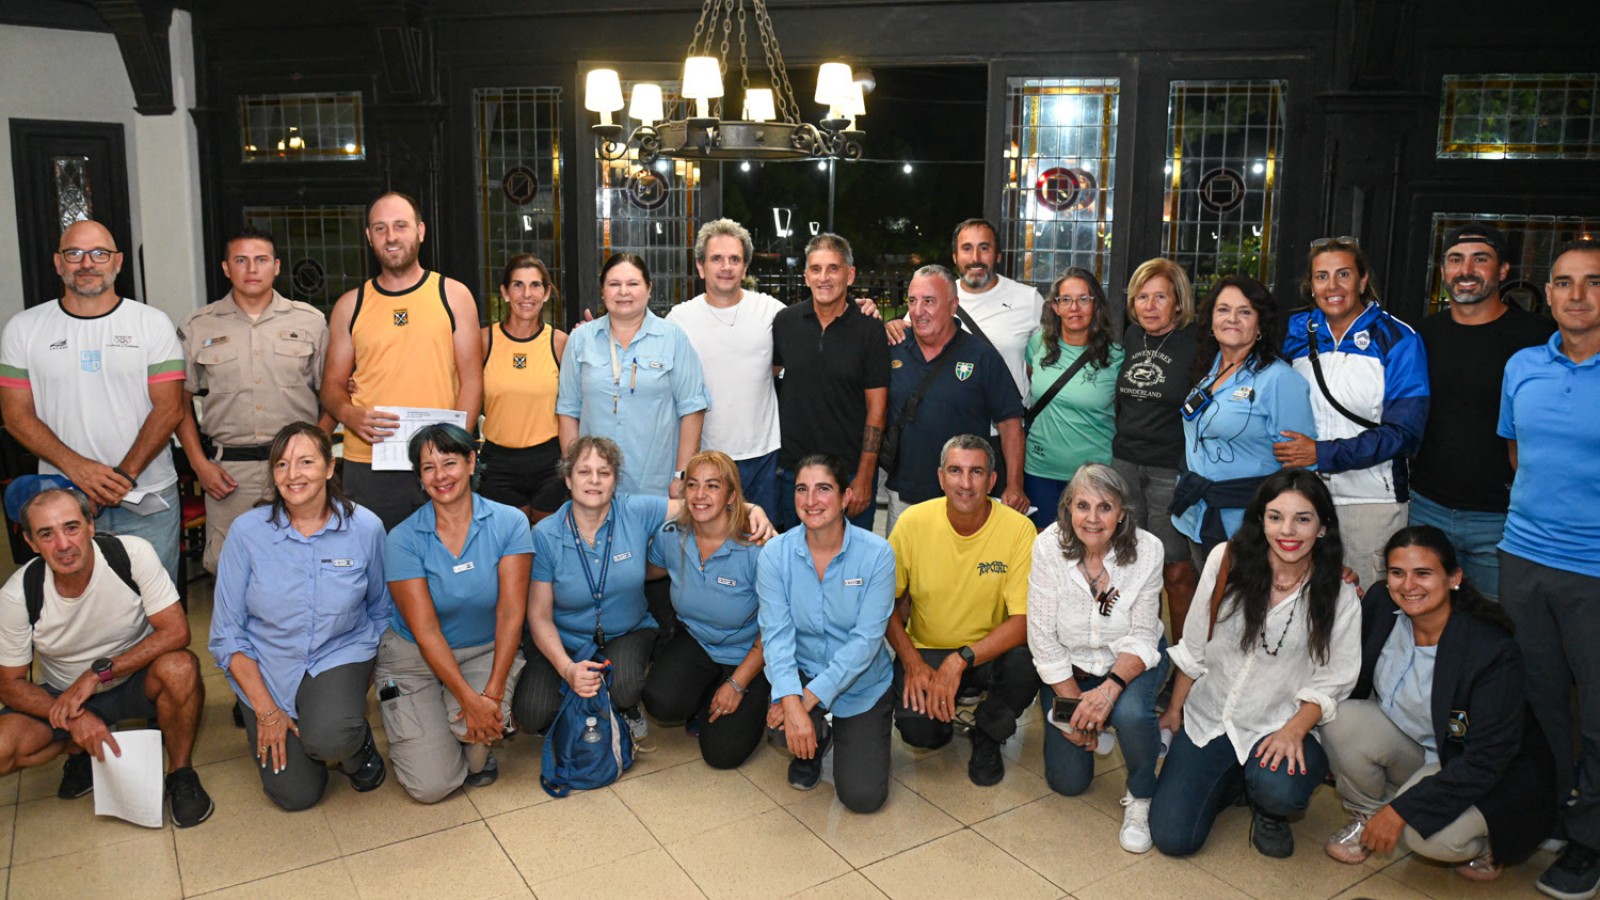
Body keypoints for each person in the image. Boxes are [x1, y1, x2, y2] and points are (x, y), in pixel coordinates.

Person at [1320, 526, 1555, 882]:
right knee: (1340, 717)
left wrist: (1402, 811)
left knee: (1425, 837)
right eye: (1397, 573)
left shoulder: (1491, 650)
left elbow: (1485, 761)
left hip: (1474, 765)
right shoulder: (1382, 603)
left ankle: (1487, 840)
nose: (1408, 585)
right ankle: (1368, 814)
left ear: (1454, 578)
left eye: (1423, 573)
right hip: (1419, 749)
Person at [1151, 469, 1360, 859]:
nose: (1289, 531)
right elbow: (1195, 645)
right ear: (1260, 519)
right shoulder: (1225, 560)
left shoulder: (1339, 593)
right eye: (1276, 516)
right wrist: (1175, 711)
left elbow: (1336, 679)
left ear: (1323, 528)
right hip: (1210, 718)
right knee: (1172, 838)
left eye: (1303, 519)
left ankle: (1270, 811)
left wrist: (1294, 731)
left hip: (1277, 722)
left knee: (1278, 787)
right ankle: (1234, 781)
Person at [513, 437, 771, 748]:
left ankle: (622, 706)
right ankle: (576, 700)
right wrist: (566, 668)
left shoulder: (636, 511)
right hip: (565, 638)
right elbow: (538, 615)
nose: (594, 480)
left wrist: (752, 508)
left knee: (626, 689)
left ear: (615, 481)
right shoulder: (545, 534)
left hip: (626, 631)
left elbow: (699, 503)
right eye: (584, 472)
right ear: (568, 479)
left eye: (604, 473)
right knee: (531, 712)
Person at [0, 486, 212, 827]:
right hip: (65, 697)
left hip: (134, 681)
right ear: (31, 543)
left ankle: (181, 772)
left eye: (71, 527)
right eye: (46, 534)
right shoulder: (17, 594)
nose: (64, 544)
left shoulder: (130, 554)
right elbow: (9, 686)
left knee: (180, 666)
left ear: (90, 525)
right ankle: (80, 750)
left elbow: (176, 632)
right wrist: (75, 718)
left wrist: (97, 675)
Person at [210, 422, 391, 810]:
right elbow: (227, 634)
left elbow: (381, 609)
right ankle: (314, 732)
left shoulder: (365, 528)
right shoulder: (246, 533)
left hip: (338, 653)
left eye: (306, 462)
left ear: (329, 467)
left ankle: (353, 745)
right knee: (296, 795)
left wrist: (363, 672)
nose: (293, 475)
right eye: (281, 465)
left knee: (331, 734)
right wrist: (267, 712)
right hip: (267, 664)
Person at [1496, 239, 1600, 900]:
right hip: (1524, 555)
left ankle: (1591, 840)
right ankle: (1560, 812)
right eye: (1563, 282)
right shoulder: (1523, 366)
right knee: (1539, 698)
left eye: (1593, 282)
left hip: (1593, 568)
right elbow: (1516, 455)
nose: (1576, 295)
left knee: (1595, 710)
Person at [0, 220, 186, 585]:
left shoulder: (152, 324)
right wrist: (80, 472)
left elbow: (170, 409)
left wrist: (121, 478)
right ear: (58, 262)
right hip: (61, 503)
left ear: (117, 262)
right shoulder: (24, 328)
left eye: (99, 253)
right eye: (75, 253)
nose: (87, 263)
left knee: (153, 612)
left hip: (147, 497)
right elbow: (15, 414)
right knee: (77, 613)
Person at [379, 424, 531, 801]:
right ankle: (433, 726)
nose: (440, 475)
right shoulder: (403, 539)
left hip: (483, 650)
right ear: (419, 477)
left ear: (470, 461)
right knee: (431, 787)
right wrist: (468, 699)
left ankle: (466, 737)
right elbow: (426, 631)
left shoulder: (509, 522)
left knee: (471, 735)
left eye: (449, 462)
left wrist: (490, 696)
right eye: (428, 468)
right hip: (413, 658)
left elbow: (512, 613)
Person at [1028, 463, 1169, 853]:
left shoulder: (1148, 550)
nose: (1092, 518)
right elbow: (1041, 637)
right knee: (1068, 783)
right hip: (1069, 670)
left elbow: (1142, 634)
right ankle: (1097, 727)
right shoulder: (1046, 547)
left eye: (1105, 507)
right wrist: (1076, 705)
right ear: (1067, 509)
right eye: (1082, 506)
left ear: (1122, 512)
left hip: (1128, 664)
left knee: (1130, 713)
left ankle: (1141, 795)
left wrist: (1108, 692)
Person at [323, 191, 484, 530]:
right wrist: (350, 414)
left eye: (400, 226)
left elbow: (472, 381)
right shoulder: (350, 306)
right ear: (369, 237)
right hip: (368, 463)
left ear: (420, 231)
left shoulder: (453, 296)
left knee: (444, 566)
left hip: (438, 463)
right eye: (380, 228)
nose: (391, 236)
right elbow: (331, 388)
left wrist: (454, 451)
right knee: (375, 572)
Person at [1409, 224, 1552, 600]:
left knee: (1497, 630)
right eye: (1455, 259)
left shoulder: (1539, 338)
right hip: (1427, 508)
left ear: (1503, 270)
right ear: (1442, 271)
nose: (1466, 270)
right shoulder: (1421, 337)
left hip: (1502, 518)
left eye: (1480, 259)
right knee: (1425, 623)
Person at [178, 225, 331, 574]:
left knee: (305, 565)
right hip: (231, 475)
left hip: (299, 470)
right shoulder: (199, 325)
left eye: (261, 260)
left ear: (276, 266)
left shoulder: (309, 321)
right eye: (241, 260)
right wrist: (200, 465)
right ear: (226, 268)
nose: (251, 269)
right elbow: (177, 404)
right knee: (234, 571)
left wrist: (316, 450)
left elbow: (332, 394)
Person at [886, 434, 1035, 785]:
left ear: (992, 480)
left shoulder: (1019, 530)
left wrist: (962, 658)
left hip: (990, 650)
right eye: (955, 471)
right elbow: (883, 606)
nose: (965, 483)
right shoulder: (912, 523)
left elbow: (1024, 621)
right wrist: (912, 662)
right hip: (927, 649)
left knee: (1027, 663)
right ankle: (946, 715)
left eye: (976, 472)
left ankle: (988, 732)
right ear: (940, 477)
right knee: (918, 732)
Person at [1281, 237, 1429, 589]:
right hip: (1304, 500)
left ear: (1362, 281)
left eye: (1343, 274)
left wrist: (1323, 453)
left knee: (1366, 608)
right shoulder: (1297, 334)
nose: (1332, 286)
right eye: (1321, 277)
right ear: (1311, 285)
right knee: (1305, 607)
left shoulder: (1398, 338)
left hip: (1371, 502)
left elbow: (1405, 433)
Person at [758, 453, 895, 812]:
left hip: (862, 683)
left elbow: (866, 642)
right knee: (779, 720)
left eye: (823, 489)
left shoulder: (877, 554)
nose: (810, 500)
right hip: (802, 667)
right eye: (802, 489)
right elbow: (776, 635)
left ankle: (823, 726)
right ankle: (812, 744)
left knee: (862, 798)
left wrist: (800, 702)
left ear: (846, 497)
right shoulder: (775, 554)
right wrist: (788, 696)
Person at [1170, 275, 1316, 565]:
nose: (1232, 319)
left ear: (1260, 323)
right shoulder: (1208, 370)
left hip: (1249, 525)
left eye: (1245, 311)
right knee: (1212, 605)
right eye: (1223, 310)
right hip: (1199, 515)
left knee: (1245, 608)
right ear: (1210, 321)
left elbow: (1301, 468)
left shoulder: (1279, 380)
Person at [642, 450, 769, 769]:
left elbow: (778, 628)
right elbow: (646, 572)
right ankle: (705, 690)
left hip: (750, 652)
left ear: (731, 495)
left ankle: (760, 693)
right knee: (661, 702)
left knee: (722, 756)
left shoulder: (758, 548)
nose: (700, 495)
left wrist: (737, 684)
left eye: (712, 486)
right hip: (697, 640)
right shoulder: (672, 536)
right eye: (693, 485)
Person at [884, 265, 1027, 531]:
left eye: (929, 301)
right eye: (912, 301)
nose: (917, 311)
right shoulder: (893, 346)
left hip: (965, 497)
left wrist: (1015, 485)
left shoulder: (982, 356)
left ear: (953, 306)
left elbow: (1010, 424)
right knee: (903, 571)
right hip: (904, 496)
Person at [556, 253, 709, 499]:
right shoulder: (580, 340)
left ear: (649, 289)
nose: (623, 292)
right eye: (614, 284)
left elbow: (692, 410)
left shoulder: (673, 339)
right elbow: (567, 411)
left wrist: (682, 476)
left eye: (633, 284)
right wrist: (575, 472)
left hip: (656, 485)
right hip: (594, 486)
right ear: (603, 291)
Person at [668, 219, 787, 515]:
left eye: (735, 259)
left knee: (760, 547)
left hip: (764, 456)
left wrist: (866, 311)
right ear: (700, 266)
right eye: (717, 258)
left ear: (745, 268)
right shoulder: (679, 319)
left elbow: (813, 336)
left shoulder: (770, 311)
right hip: (704, 459)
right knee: (709, 547)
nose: (726, 266)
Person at [771, 233, 889, 531]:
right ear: (806, 276)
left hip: (848, 474)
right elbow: (766, 380)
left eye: (833, 268)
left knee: (852, 569)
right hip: (794, 474)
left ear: (849, 275)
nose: (824, 277)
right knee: (795, 566)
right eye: (816, 269)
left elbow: (877, 411)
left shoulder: (870, 329)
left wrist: (864, 476)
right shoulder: (785, 322)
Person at [1112, 258, 1202, 638]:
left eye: (1159, 297)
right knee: (1127, 566)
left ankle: (1183, 663)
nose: (1149, 306)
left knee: (1177, 569)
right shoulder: (1131, 338)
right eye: (1141, 297)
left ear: (1178, 302)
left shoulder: (1198, 342)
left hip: (1169, 468)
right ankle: (1136, 652)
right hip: (1125, 464)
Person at [1022, 268, 1124, 529]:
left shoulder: (1116, 356)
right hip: (1040, 469)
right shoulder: (1038, 345)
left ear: (1096, 304)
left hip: (1095, 473)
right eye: (1065, 300)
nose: (1074, 308)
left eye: (1083, 299)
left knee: (1093, 548)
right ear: (1055, 307)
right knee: (1044, 547)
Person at [478, 253, 568, 523]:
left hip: (549, 462)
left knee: (546, 548)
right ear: (505, 292)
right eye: (517, 285)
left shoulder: (560, 343)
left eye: (535, 285)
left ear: (547, 292)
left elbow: (581, 400)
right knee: (509, 546)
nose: (526, 294)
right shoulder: (483, 341)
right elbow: (452, 385)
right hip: (498, 463)